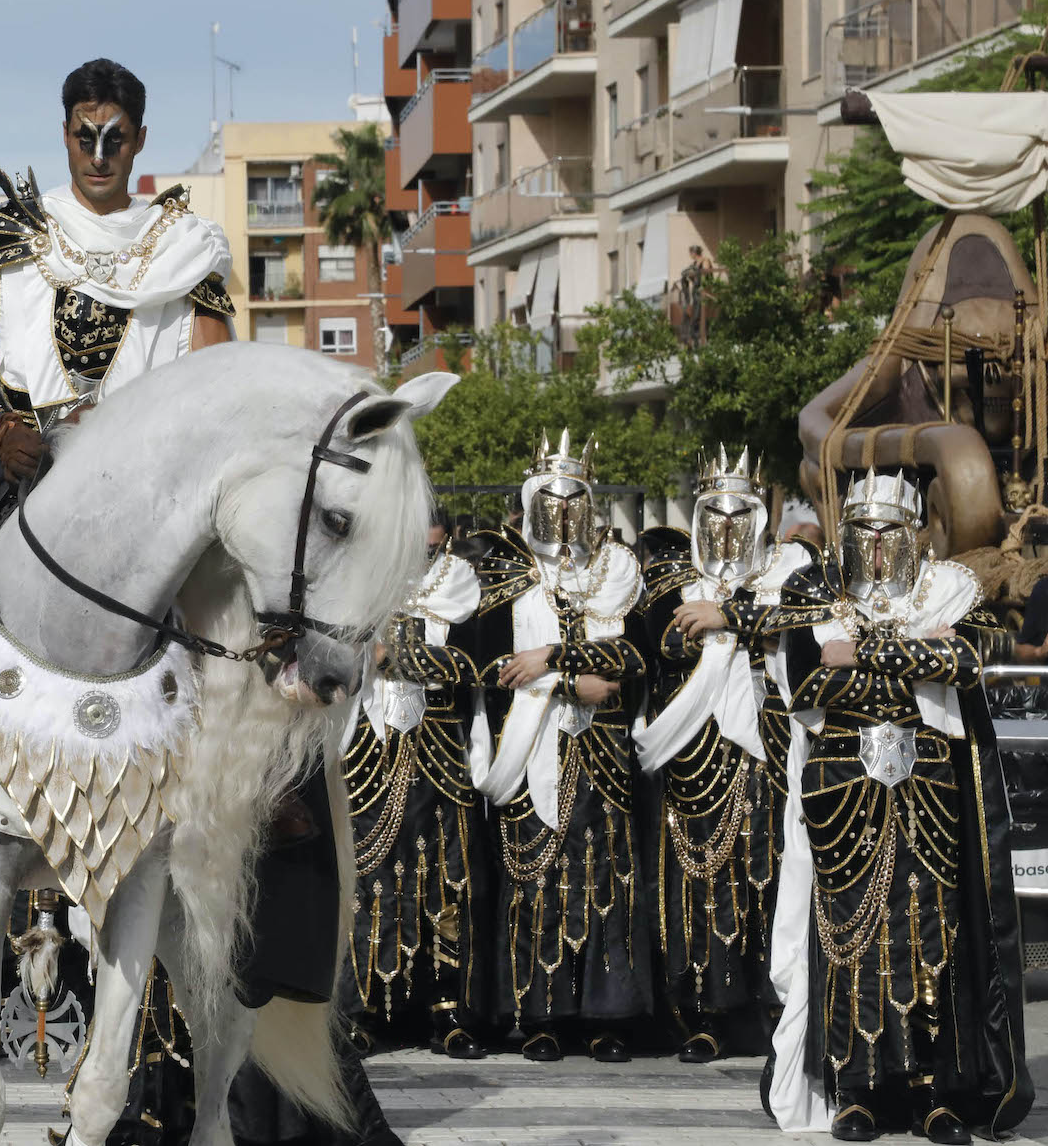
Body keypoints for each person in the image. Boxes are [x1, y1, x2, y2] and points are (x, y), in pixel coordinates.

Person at [0, 56, 234, 798]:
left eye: (114, 139)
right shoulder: (17, 232)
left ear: (140, 139)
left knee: (252, 595)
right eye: (84, 136)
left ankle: (254, 786)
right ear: (63, 134)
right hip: (20, 459)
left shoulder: (187, 248)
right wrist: (3, 431)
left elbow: (216, 379)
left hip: (147, 469)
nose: (97, 155)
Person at [765, 471, 1033, 1144]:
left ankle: (936, 1093)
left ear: (912, 532)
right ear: (847, 531)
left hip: (929, 784)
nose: (878, 543)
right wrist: (921, 654)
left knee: (932, 932)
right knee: (850, 934)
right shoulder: (813, 588)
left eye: (892, 529)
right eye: (865, 529)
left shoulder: (946, 586)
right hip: (841, 786)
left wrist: (869, 652)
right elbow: (807, 680)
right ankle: (855, 1089)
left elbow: (977, 654)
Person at [471, 431, 651, 1063]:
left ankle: (607, 1016)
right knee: (535, 877)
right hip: (529, 744)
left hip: (601, 751)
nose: (565, 513)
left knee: (605, 875)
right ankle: (540, 1014)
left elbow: (634, 655)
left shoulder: (617, 569)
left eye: (576, 500)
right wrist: (572, 681)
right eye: (551, 500)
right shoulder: (501, 567)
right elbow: (487, 663)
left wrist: (550, 656)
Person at [635, 448, 814, 1062]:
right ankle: (708, 1015)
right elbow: (664, 638)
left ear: (762, 518)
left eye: (743, 515)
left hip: (770, 749)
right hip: (698, 758)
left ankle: (776, 1007)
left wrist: (726, 615)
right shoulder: (670, 574)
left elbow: (808, 622)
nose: (728, 528)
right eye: (716, 514)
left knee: (771, 873)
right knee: (703, 884)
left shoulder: (792, 569)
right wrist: (747, 626)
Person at [344, 523, 491, 1059]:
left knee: (444, 879)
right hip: (367, 752)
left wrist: (392, 657)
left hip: (441, 755)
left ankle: (446, 1008)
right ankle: (363, 1008)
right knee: (368, 878)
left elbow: (478, 665)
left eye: (430, 541)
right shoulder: (355, 578)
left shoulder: (465, 585)